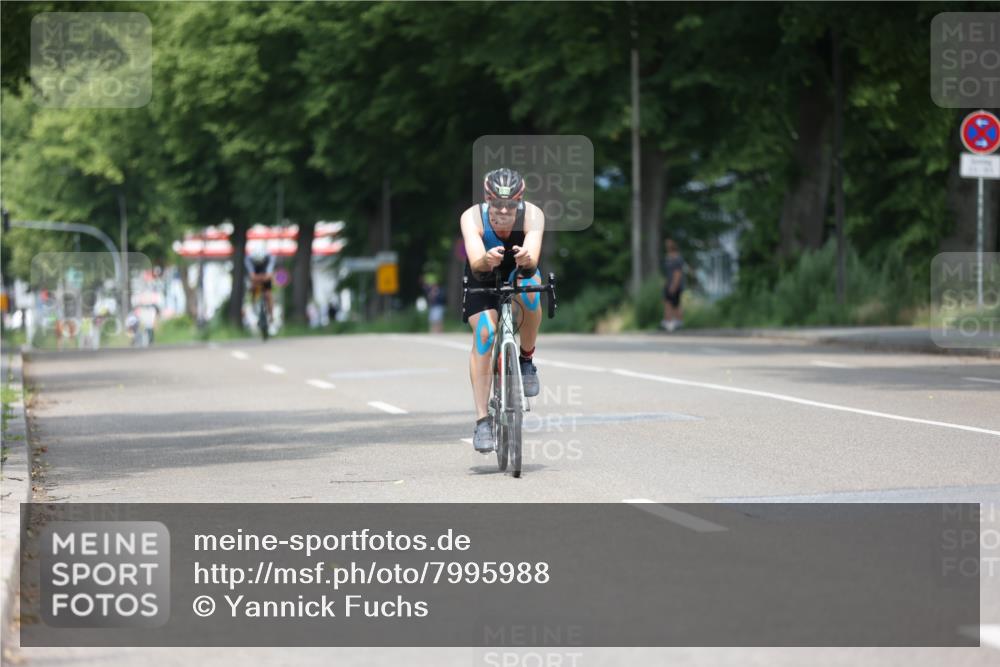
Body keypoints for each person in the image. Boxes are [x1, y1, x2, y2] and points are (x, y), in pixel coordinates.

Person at [460, 168, 545, 453]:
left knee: (532, 291)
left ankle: (526, 359)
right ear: (487, 199)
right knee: (485, 333)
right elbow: (475, 262)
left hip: (518, 271)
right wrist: (486, 260)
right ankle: (482, 420)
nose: (505, 211)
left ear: (520, 201)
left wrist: (526, 258)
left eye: (511, 204)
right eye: (498, 204)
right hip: (483, 275)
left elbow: (533, 260)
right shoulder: (472, 217)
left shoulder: (533, 215)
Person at [244, 244, 276, 324]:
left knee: (268, 294)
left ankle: (271, 315)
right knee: (253, 288)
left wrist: (261, 277)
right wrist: (259, 278)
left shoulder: (270, 258)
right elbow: (252, 276)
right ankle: (254, 306)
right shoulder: (248, 259)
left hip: (264, 274)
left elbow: (269, 276)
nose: (259, 264)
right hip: (258, 275)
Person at [661, 238, 685, 332]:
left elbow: (677, 273)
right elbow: (667, 273)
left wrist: (674, 285)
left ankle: (678, 322)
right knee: (667, 303)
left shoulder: (677, 258)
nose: (667, 246)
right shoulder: (668, 257)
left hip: (675, 284)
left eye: (669, 244)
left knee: (676, 304)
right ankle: (668, 321)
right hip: (669, 283)